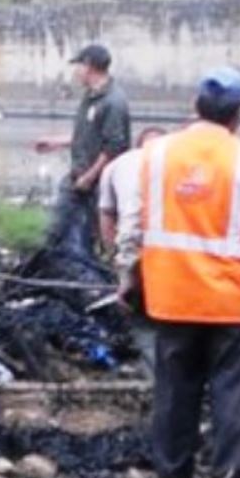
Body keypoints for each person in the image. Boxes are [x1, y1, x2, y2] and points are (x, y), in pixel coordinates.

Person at [123, 68, 240, 478]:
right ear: (238, 115)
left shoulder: (156, 155)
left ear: (195, 107)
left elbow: (132, 226)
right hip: (230, 303)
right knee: (233, 394)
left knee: (175, 391)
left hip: (171, 297)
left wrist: (126, 277)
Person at [34, 43, 129, 256]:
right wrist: (56, 142)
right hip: (78, 175)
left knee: (101, 231)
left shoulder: (113, 102)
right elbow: (87, 135)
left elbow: (114, 146)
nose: (76, 72)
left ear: (88, 67)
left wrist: (89, 177)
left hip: (100, 181)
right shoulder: (90, 97)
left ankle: (108, 273)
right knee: (57, 225)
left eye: (78, 66)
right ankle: (49, 261)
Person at [99, 125, 167, 374]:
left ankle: (155, 377)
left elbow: (108, 216)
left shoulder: (116, 166)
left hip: (138, 254)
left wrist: (116, 263)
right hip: (174, 260)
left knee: (140, 318)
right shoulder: (178, 164)